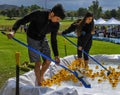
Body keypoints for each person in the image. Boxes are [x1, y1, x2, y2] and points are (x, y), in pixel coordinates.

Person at [7, 4, 65, 86]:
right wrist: (13, 31)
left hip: (42, 38)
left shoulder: (56, 24)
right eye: (57, 19)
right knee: (38, 63)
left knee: (48, 61)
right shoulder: (38, 14)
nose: (58, 21)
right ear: (52, 14)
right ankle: (39, 82)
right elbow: (21, 21)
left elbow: (53, 40)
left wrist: (56, 55)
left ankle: (40, 76)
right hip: (32, 37)